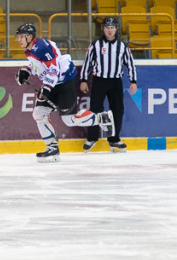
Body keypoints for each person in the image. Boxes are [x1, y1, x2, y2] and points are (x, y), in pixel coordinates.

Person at [13, 23, 114, 162]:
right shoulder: (29, 49)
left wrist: (46, 87)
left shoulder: (42, 47)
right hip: (54, 82)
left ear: (29, 36)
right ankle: (52, 148)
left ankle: (102, 118)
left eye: (21, 37)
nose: (18, 40)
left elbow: (54, 69)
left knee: (69, 120)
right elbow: (39, 64)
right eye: (17, 37)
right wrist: (27, 70)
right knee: (39, 113)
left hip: (65, 82)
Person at [80, 17, 137, 153]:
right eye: (107, 27)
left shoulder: (122, 46)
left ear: (116, 29)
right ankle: (92, 137)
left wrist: (133, 81)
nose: (109, 30)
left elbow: (130, 63)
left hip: (115, 82)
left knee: (117, 109)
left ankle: (114, 139)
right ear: (103, 29)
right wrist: (83, 80)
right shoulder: (95, 45)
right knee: (95, 109)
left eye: (112, 27)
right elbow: (87, 62)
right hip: (99, 80)